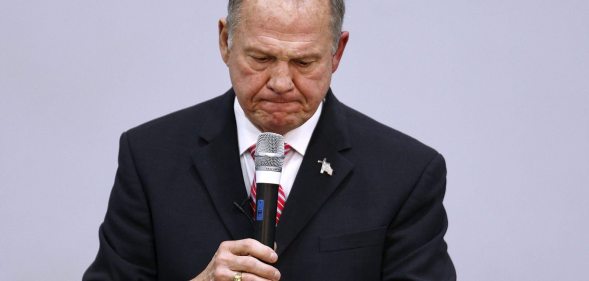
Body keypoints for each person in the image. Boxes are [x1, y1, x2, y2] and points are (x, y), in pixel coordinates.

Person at [83, 0, 456, 280]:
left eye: (304, 63)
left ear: (337, 53)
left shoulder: (405, 173)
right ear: (225, 42)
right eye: (261, 58)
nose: (280, 83)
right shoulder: (150, 156)